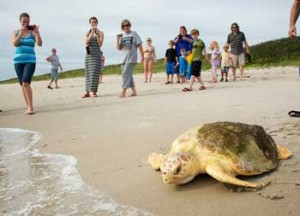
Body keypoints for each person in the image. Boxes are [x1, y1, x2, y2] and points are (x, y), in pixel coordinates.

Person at [12, 12, 42, 114]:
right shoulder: (16, 32)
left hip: (30, 61)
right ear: (20, 22)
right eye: (23, 22)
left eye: (27, 22)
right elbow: (15, 44)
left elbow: (40, 44)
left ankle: (31, 107)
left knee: (25, 82)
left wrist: (37, 33)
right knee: (22, 84)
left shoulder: (32, 33)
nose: (25, 23)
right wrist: (20, 33)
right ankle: (28, 106)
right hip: (18, 61)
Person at [116, 19, 143, 98]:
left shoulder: (134, 34)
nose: (126, 27)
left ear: (130, 26)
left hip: (131, 58)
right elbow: (119, 48)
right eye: (124, 26)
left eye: (127, 25)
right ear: (122, 27)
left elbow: (139, 45)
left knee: (125, 74)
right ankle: (134, 92)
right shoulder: (121, 35)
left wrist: (142, 56)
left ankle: (123, 91)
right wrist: (117, 39)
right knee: (128, 75)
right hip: (123, 59)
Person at [82, 16, 104, 98]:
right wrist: (91, 33)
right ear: (90, 23)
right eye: (92, 22)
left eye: (95, 22)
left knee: (95, 73)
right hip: (89, 55)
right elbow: (86, 43)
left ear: (97, 23)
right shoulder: (87, 32)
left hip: (97, 54)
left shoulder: (101, 33)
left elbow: (100, 44)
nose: (93, 23)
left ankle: (94, 92)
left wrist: (97, 34)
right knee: (88, 73)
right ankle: (87, 92)